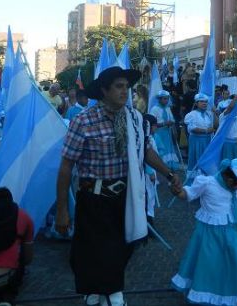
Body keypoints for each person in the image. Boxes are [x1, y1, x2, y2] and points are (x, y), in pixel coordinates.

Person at [55, 66, 181, 306]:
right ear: (104, 91)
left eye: (127, 86)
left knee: (124, 246)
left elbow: (146, 151)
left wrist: (168, 173)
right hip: (93, 198)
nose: (126, 91)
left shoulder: (135, 119)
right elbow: (65, 167)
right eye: (119, 86)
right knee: (94, 250)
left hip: (127, 195)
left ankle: (106, 290)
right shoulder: (83, 121)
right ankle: (111, 294)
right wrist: (62, 210)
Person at [171, 159, 237, 305]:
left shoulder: (236, 187)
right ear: (229, 179)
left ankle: (235, 289)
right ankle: (207, 291)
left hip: (230, 230)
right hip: (209, 231)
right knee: (209, 261)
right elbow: (189, 193)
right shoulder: (208, 183)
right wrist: (179, 192)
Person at [183, 93, 215, 173]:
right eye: (201, 102)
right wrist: (206, 131)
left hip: (207, 140)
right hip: (196, 141)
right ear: (196, 103)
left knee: (206, 159)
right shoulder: (191, 115)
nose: (204, 103)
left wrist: (215, 113)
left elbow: (216, 125)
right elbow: (192, 128)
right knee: (196, 159)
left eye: (206, 102)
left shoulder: (209, 113)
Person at [150, 90, 181, 171]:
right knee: (161, 149)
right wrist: (164, 123)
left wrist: (173, 127)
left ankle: (170, 166)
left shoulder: (167, 108)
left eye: (167, 99)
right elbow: (153, 123)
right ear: (159, 99)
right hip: (159, 133)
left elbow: (171, 119)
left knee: (169, 148)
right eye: (164, 99)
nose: (166, 100)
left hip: (167, 132)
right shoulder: (154, 109)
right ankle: (161, 166)